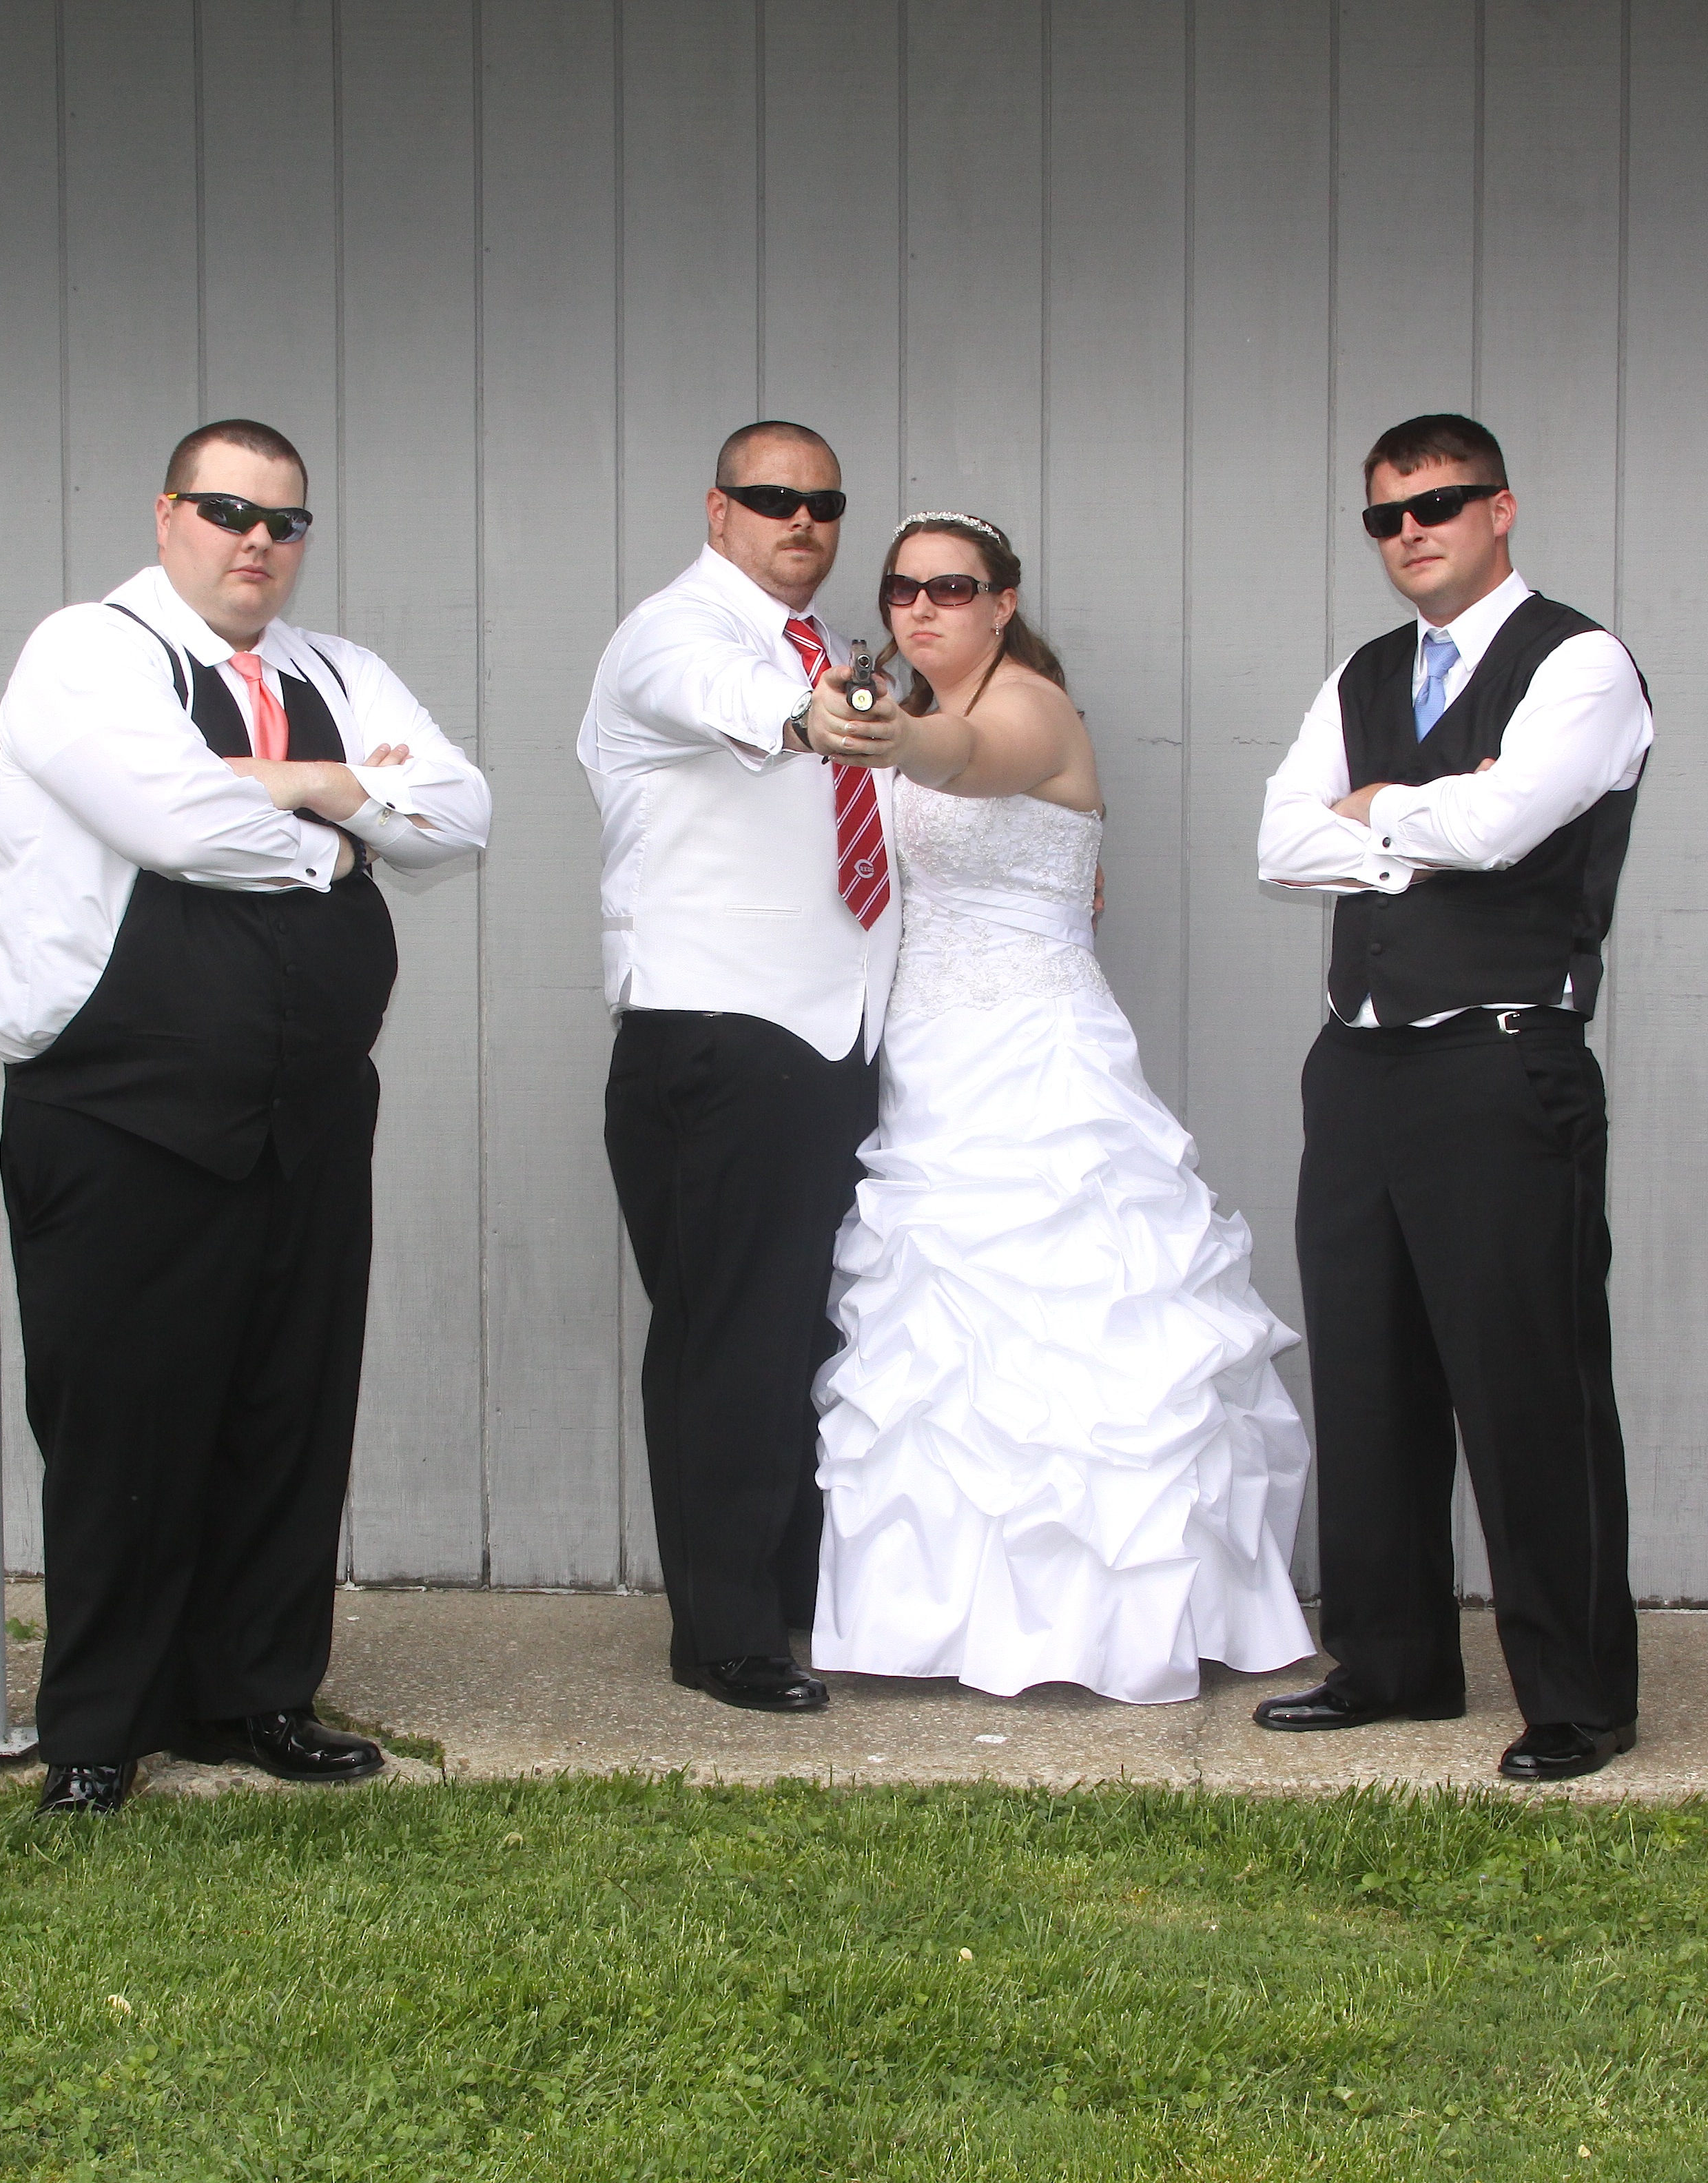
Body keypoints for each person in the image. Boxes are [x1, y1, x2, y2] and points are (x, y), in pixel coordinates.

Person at [0, 418, 487, 1814]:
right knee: (124, 1422)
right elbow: (178, 824)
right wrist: (348, 834)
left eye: (284, 521)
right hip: (119, 1104)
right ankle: (99, 1725)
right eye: (226, 512)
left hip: (308, 1107)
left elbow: (461, 812)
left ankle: (256, 1692)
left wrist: (309, 779)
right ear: (166, 516)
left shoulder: (338, 672)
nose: (257, 542)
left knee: (287, 1405)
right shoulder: (89, 652)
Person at [807, 515, 1313, 1703]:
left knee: (1075, 1327)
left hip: (1037, 1060)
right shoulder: (919, 702)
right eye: (901, 590)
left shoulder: (1031, 708)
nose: (921, 608)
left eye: (951, 588)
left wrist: (889, 737)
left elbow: (966, 761)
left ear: (1003, 601)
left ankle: (1108, 1623)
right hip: (929, 1060)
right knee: (941, 1345)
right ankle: (942, 1622)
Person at [1253, 413, 1652, 1781]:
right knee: (1368, 1374)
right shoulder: (1365, 672)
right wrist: (1420, 815)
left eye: (1439, 504)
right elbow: (1278, 844)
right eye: (1387, 515)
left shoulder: (1581, 664)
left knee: (1527, 1382)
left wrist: (1371, 812)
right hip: (1358, 1061)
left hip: (1501, 1060)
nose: (1412, 532)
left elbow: (1506, 824)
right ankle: (1393, 1663)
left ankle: (1578, 1698)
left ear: (1502, 508)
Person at [580, 420, 898, 1712]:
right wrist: (802, 713)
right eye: (772, 498)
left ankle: (791, 1593)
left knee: (801, 1336)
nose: (802, 520)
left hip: (835, 1036)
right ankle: (725, 1636)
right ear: (718, 511)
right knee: (733, 1344)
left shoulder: (829, 645)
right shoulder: (677, 632)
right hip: (721, 1034)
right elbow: (717, 696)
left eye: (824, 501)